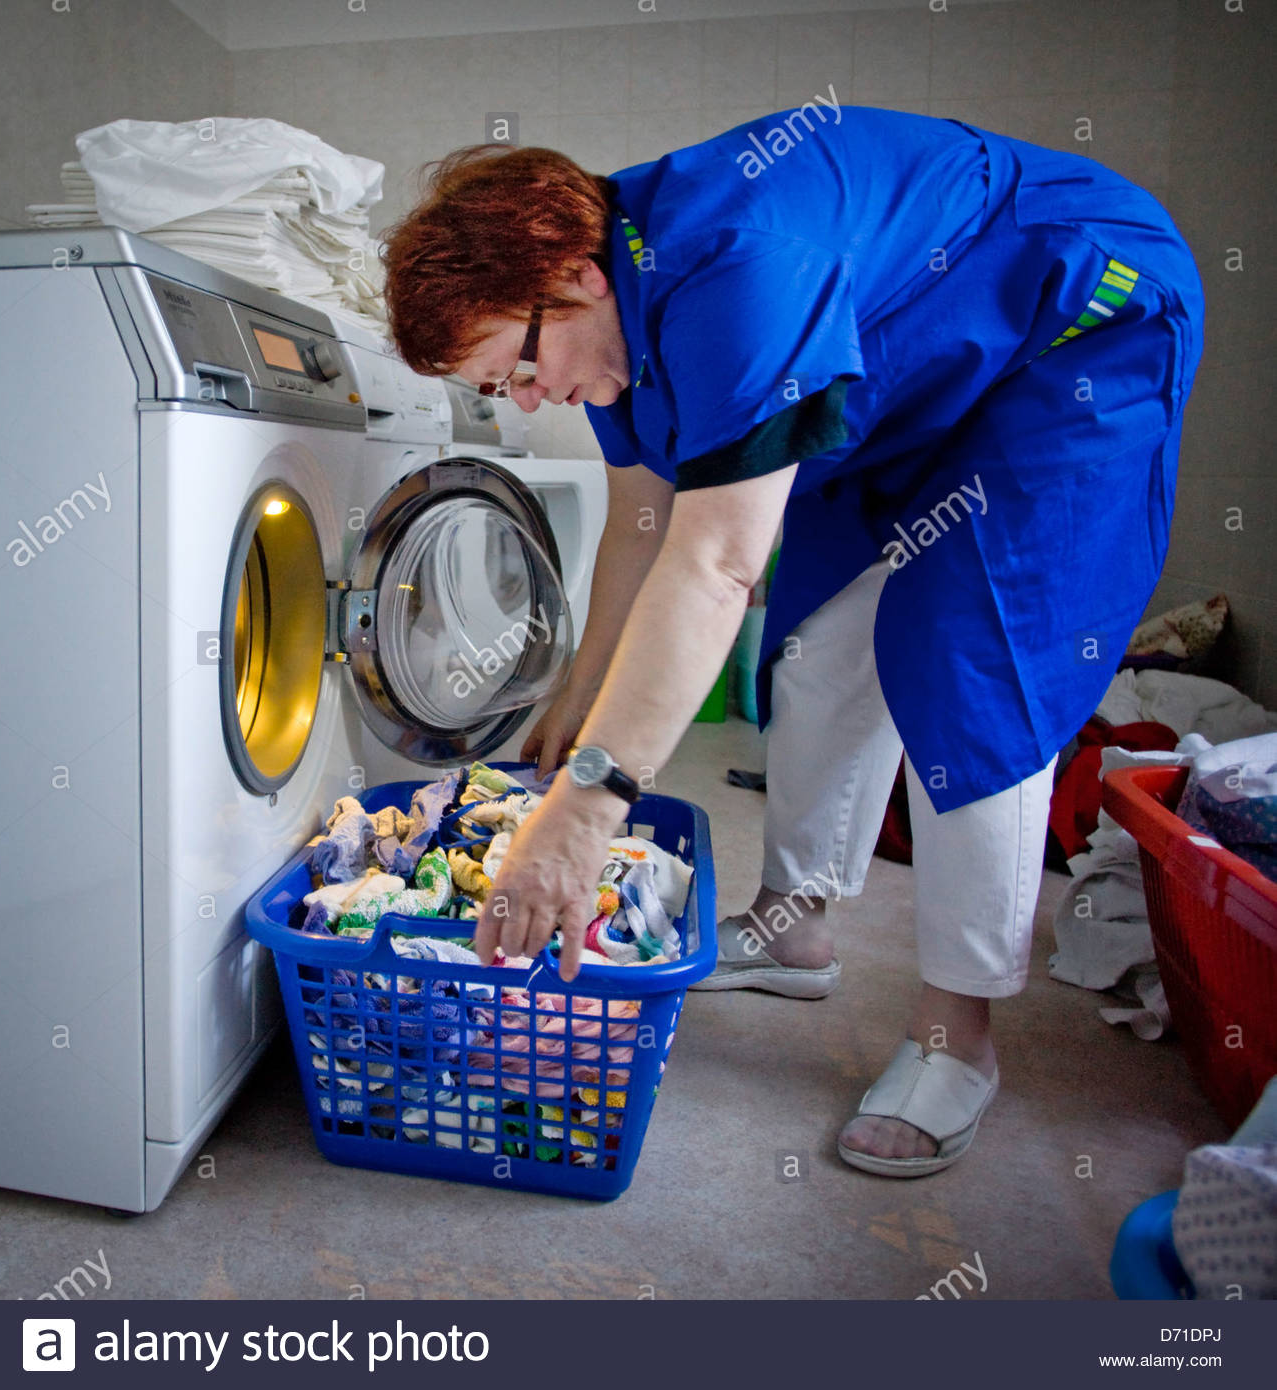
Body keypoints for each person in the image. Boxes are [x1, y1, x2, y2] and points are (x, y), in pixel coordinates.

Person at [378, 105, 1205, 1177]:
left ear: (575, 278)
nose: (532, 399)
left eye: (521, 368)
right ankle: (793, 926)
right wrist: (582, 690)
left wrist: (586, 809)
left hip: (1073, 324)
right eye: (503, 391)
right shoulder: (608, 294)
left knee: (966, 668)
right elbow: (643, 515)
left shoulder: (736, 263)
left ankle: (959, 1038)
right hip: (919, 374)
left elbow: (714, 561)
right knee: (813, 638)